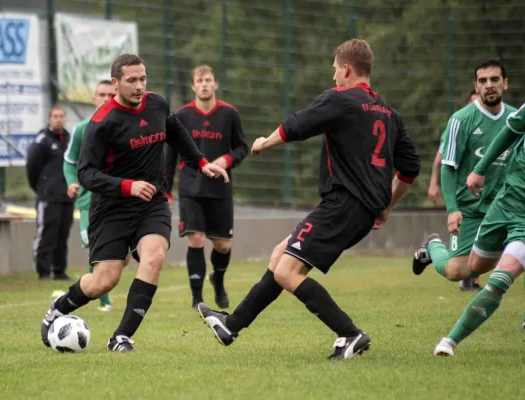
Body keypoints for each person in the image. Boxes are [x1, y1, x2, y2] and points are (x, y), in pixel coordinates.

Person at [198, 39, 420, 361]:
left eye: (335, 71)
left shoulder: (341, 99)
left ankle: (349, 333)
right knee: (279, 258)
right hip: (360, 208)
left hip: (342, 204)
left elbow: (296, 125)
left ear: (346, 69)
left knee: (287, 272)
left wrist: (263, 144)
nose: (333, 78)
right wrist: (385, 206)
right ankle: (231, 325)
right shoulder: (389, 113)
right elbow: (410, 169)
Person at [39, 54, 229, 352]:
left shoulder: (157, 104)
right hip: (111, 208)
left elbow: (175, 131)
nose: (139, 86)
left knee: (154, 258)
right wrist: (127, 186)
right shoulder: (102, 123)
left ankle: (121, 337)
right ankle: (58, 307)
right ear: (115, 84)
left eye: (143, 79)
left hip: (151, 201)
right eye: (131, 80)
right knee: (103, 281)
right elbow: (86, 174)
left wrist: (201, 162)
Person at [412, 59, 516, 285]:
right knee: (457, 272)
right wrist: (452, 210)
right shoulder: (461, 120)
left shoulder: (516, 120)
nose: (489, 84)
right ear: (476, 86)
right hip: (471, 208)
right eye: (483, 80)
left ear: (505, 84)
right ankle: (433, 246)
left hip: (506, 206)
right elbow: (448, 167)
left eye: (494, 79)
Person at [434, 103, 525, 356]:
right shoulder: (462, 119)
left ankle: (450, 341)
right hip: (504, 203)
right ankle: (432, 246)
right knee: (469, 268)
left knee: (501, 277)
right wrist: (478, 170)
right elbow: (508, 133)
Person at [164, 65, 248, 310]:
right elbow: (169, 157)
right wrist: (167, 191)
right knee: (196, 239)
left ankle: (218, 281)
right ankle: (197, 299)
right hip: (191, 188)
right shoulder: (181, 117)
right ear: (193, 86)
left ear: (215, 84)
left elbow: (242, 148)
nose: (204, 84)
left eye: (208, 80)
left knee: (222, 245)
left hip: (220, 189)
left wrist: (226, 160)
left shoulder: (229, 114)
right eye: (199, 80)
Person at [63, 79, 128, 312]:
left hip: (118, 200)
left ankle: (98, 288)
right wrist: (71, 182)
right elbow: (69, 162)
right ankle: (103, 301)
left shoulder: (125, 126)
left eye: (110, 94)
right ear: (93, 99)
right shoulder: (82, 129)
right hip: (88, 201)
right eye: (101, 94)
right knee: (94, 248)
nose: (105, 98)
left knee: (124, 257)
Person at [428, 89, 481, 291]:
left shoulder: (503, 121)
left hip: (493, 198)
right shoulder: (458, 124)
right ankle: (434, 245)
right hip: (464, 199)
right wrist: (434, 184)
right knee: (456, 269)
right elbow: (442, 160)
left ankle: (471, 280)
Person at [26, 106, 74, 281]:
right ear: (49, 118)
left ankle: (59, 270)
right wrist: (42, 188)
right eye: (55, 116)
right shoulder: (42, 141)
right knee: (46, 233)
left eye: (61, 116)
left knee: (63, 234)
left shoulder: (70, 139)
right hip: (48, 196)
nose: (59, 119)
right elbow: (32, 168)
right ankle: (43, 271)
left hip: (67, 196)